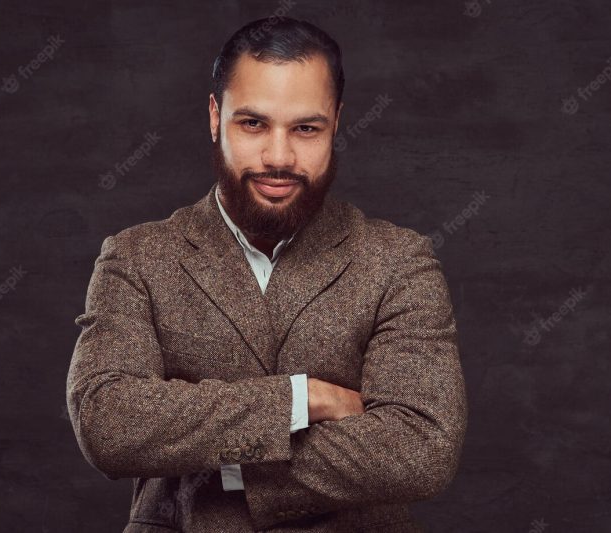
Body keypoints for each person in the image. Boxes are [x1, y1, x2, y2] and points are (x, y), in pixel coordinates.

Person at [67, 16, 467, 533]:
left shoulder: (399, 260)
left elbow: (421, 449)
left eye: (306, 128)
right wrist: (304, 399)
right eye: (253, 124)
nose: (279, 158)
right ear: (215, 116)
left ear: (336, 123)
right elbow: (108, 422)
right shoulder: (137, 256)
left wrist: (220, 467)